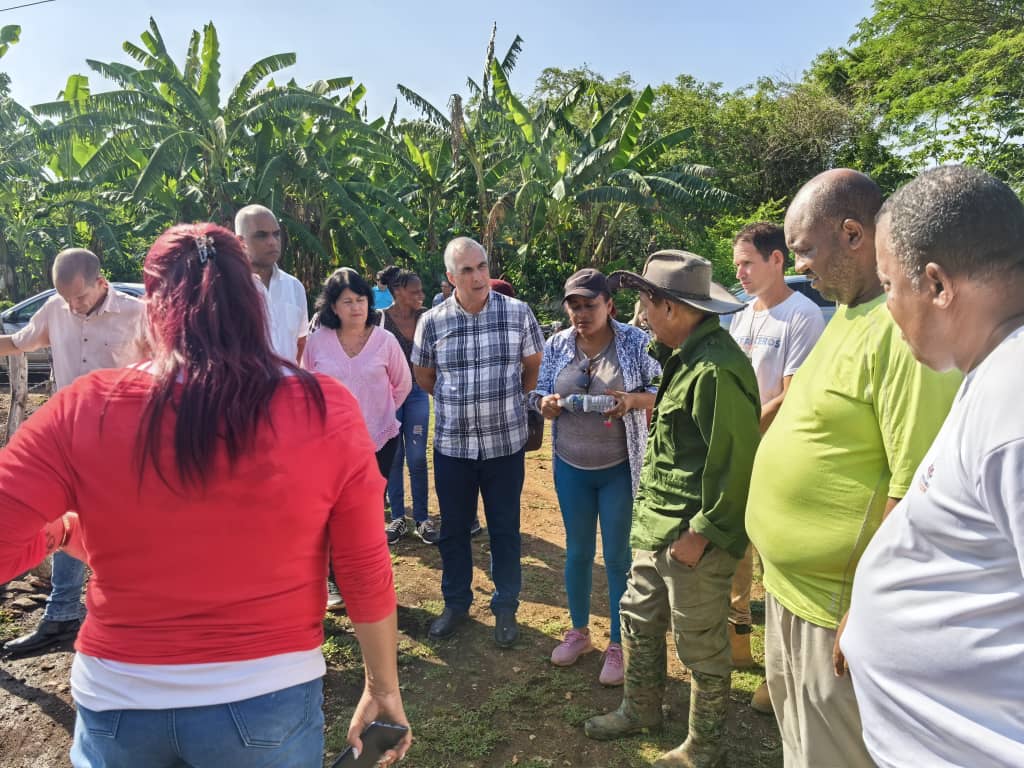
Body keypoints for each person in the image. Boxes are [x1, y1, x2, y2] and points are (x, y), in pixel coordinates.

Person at [0, 224, 411, 767]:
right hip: (266, 696)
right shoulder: (324, 407)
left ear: (151, 306)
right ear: (252, 301)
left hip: (120, 701)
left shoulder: (84, 406)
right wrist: (383, 688)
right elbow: (362, 562)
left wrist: (68, 533)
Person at [745, 169, 961, 768]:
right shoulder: (846, 314)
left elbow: (917, 484)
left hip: (834, 611)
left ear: (852, 235)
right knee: (799, 745)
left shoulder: (904, 331)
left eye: (807, 249)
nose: (800, 265)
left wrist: (865, 609)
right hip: (791, 595)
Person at [838, 166, 1024, 767]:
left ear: (937, 285)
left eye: (890, 285)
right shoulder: (994, 376)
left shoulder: (1015, 405)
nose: (889, 307)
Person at [584, 251, 760, 768]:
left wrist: (700, 536)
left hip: (692, 537)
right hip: (659, 524)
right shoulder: (684, 357)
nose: (640, 314)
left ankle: (704, 747)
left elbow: (734, 466)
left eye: (645, 303)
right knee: (638, 617)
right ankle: (640, 710)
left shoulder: (716, 371)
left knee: (701, 644)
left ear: (673, 307)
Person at [1, 248, 144, 658]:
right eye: (66, 298)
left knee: (122, 527)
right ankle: (63, 614)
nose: (73, 307)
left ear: (101, 282)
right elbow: (19, 341)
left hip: (124, 443)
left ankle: (131, 614)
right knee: (63, 522)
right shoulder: (55, 308)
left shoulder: (138, 315)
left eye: (79, 298)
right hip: (68, 439)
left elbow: (164, 371)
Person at [529, 268, 660, 686]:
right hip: (571, 464)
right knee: (578, 551)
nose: (581, 314)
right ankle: (579, 632)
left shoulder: (636, 343)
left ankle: (620, 644)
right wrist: (545, 404)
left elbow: (663, 389)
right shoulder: (558, 344)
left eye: (590, 305)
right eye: (574, 305)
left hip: (619, 466)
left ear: (609, 305)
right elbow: (540, 392)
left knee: (619, 557)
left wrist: (631, 400)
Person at [412, 236, 544, 648]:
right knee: (453, 529)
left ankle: (505, 605)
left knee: (505, 529)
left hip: (505, 444)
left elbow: (532, 368)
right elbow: (425, 378)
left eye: (482, 266)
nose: (477, 276)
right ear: (451, 278)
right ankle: (456, 602)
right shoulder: (432, 321)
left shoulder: (518, 313)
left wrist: (502, 406)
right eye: (466, 270)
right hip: (454, 446)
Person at [727, 223, 825, 706]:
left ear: (777, 260)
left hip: (777, 456)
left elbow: (790, 394)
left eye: (748, 263)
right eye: (737, 265)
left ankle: (777, 675)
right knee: (735, 556)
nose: (740, 273)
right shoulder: (742, 317)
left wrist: (742, 436)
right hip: (740, 455)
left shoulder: (803, 316)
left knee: (775, 565)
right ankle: (739, 647)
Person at [303, 268, 411, 480]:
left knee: (372, 507)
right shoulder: (316, 342)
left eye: (360, 300)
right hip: (329, 440)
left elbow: (403, 384)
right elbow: (307, 387)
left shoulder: (385, 340)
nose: (356, 307)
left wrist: (380, 409)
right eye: (347, 301)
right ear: (333, 307)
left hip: (379, 438)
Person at [380, 268, 440, 545]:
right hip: (389, 396)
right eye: (415, 291)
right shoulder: (379, 319)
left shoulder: (427, 317)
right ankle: (397, 518)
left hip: (417, 393)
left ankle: (422, 518)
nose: (420, 295)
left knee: (417, 457)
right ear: (398, 291)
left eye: (421, 291)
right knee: (394, 458)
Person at [235, 204, 308, 364]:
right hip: (245, 387)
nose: (272, 242)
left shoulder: (295, 287)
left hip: (288, 385)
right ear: (241, 242)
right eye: (261, 235)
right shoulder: (226, 288)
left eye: (276, 234)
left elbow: (300, 342)